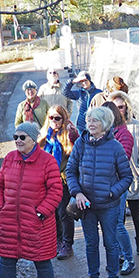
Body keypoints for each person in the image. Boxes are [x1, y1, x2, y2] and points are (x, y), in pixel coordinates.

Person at [0, 122, 63, 278]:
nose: (18, 141)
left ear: (33, 139)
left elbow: (56, 191)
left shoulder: (47, 161)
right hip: (10, 222)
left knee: (42, 262)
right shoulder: (9, 159)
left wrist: (40, 213)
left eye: (22, 137)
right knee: (6, 261)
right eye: (15, 137)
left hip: (37, 224)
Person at [65, 106, 133, 278]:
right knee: (91, 244)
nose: (90, 123)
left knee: (111, 244)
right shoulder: (81, 143)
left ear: (106, 124)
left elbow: (126, 177)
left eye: (95, 120)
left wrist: (112, 193)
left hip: (109, 206)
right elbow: (71, 171)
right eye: (89, 120)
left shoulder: (115, 147)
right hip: (85, 206)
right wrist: (77, 193)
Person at [109, 91, 139, 262]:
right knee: (117, 216)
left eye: (121, 106)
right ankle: (120, 248)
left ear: (126, 106)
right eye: (115, 107)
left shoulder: (136, 126)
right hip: (115, 178)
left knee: (136, 210)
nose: (118, 110)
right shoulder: (107, 128)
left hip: (134, 175)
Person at [39, 105, 79, 261]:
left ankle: (67, 244)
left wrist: (73, 134)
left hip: (64, 180)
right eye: (51, 118)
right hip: (47, 180)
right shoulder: (45, 135)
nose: (54, 121)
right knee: (53, 212)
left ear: (63, 119)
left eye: (57, 118)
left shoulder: (69, 134)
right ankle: (58, 240)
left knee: (64, 212)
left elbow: (78, 151)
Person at [105, 101, 136, 274]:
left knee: (117, 224)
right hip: (105, 184)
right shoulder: (107, 134)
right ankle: (118, 256)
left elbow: (122, 161)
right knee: (110, 224)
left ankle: (129, 259)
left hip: (117, 184)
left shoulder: (124, 134)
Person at [63, 71, 102, 136]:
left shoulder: (98, 92)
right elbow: (65, 92)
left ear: (89, 80)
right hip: (82, 126)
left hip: (95, 124)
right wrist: (73, 81)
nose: (84, 83)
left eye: (85, 80)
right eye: (81, 81)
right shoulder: (79, 93)